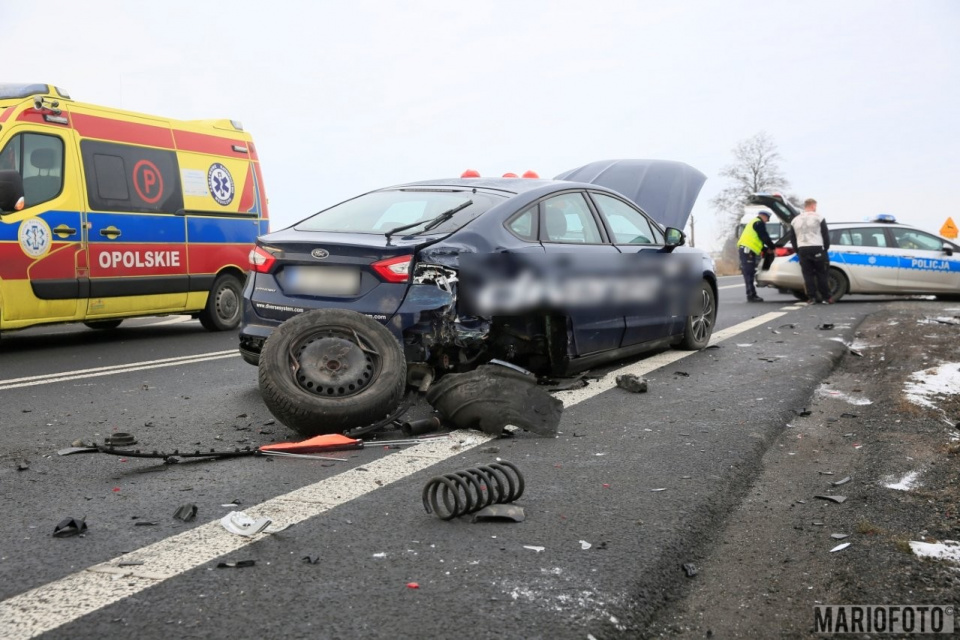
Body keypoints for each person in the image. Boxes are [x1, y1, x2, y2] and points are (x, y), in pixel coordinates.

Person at [788, 198, 832, 304]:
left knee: (808, 275)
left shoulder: (795, 220)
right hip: (817, 247)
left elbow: (792, 238)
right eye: (815, 206)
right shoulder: (819, 217)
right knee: (822, 274)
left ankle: (811, 298)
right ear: (813, 206)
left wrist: (797, 250)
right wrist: (825, 248)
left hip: (803, 249)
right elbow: (825, 234)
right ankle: (826, 297)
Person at [737, 210, 776, 302]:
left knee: (749, 273)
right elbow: (764, 236)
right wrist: (772, 247)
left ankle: (751, 294)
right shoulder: (758, 223)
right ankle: (751, 295)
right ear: (764, 216)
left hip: (747, 250)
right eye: (767, 219)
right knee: (749, 273)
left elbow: (758, 240)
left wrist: (765, 249)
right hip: (748, 251)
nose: (767, 221)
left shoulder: (754, 223)